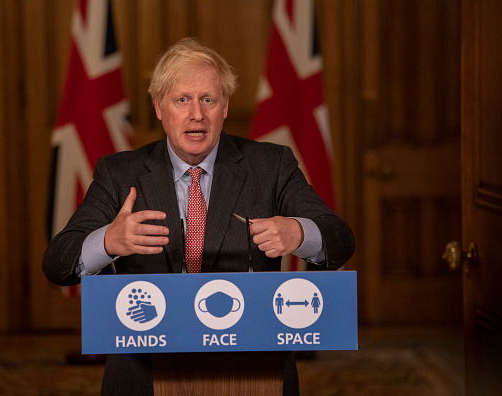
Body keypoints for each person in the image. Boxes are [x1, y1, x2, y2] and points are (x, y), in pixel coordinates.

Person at [43, 37, 354, 396]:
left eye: (208, 99)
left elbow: (340, 240)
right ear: (160, 108)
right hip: (144, 371)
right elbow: (57, 263)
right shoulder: (119, 174)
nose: (196, 114)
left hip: (253, 371)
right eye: (182, 100)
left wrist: (300, 232)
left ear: (224, 107)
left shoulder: (270, 165)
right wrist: (108, 242)